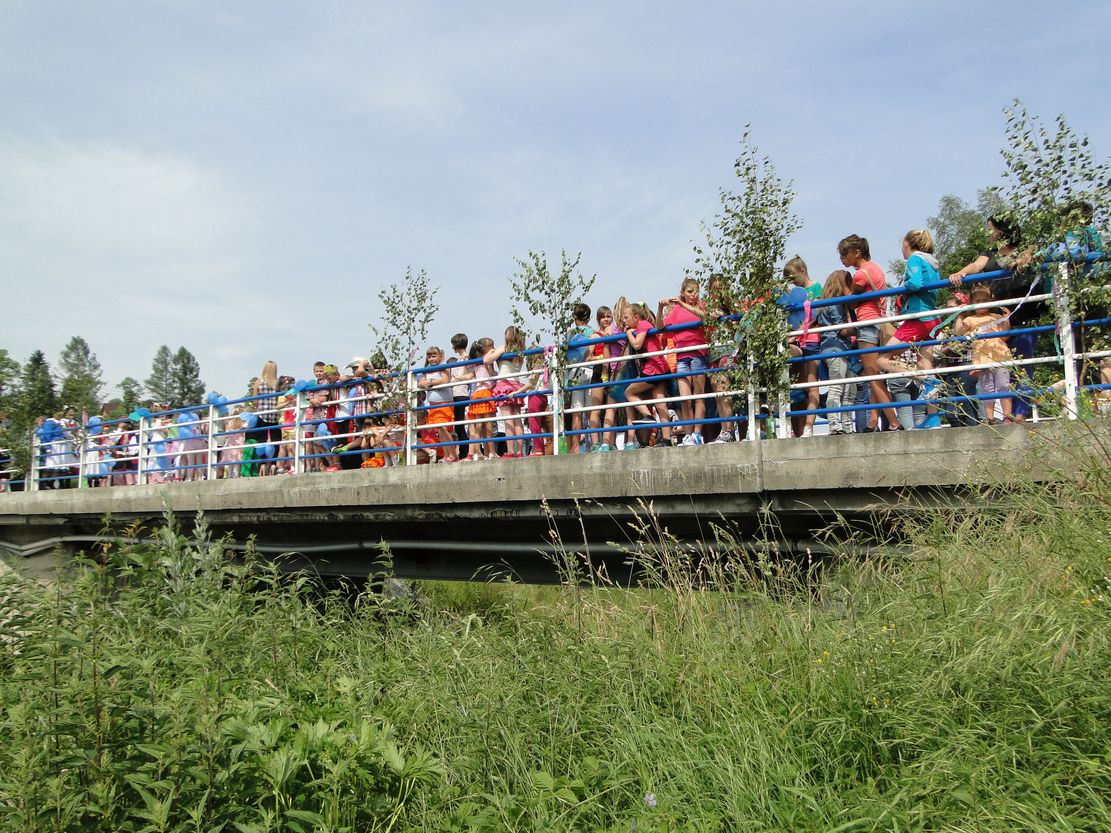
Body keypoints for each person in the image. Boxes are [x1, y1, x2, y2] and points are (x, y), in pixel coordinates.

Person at [840, 234, 903, 431]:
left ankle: (894, 422)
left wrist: (844, 287)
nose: (841, 258)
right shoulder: (877, 269)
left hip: (867, 324)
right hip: (879, 322)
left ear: (856, 253)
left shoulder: (860, 275)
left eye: (844, 254)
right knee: (877, 374)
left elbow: (852, 303)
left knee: (871, 374)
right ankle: (873, 421)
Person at [659, 278, 709, 445]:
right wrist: (660, 308)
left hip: (698, 354)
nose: (693, 295)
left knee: (698, 396)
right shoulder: (676, 311)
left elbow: (705, 317)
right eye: (689, 291)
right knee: (685, 399)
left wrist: (682, 303)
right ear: (683, 292)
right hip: (681, 356)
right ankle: (688, 433)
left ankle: (697, 433)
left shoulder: (701, 306)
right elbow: (660, 327)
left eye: (696, 291)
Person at [956, 283, 1013, 423]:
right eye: (978, 301)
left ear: (991, 301)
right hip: (982, 359)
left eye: (985, 300)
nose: (981, 303)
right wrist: (960, 315)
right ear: (972, 303)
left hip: (1000, 356)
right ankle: (990, 418)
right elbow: (959, 332)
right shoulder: (970, 319)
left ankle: (1007, 416)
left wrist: (1006, 319)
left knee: (1004, 386)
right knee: (987, 389)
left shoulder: (996, 317)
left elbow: (1005, 336)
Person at [623, 303, 674, 446]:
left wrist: (628, 333)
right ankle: (667, 439)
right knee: (660, 403)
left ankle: (648, 416)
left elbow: (637, 344)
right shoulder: (642, 325)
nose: (624, 321)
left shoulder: (643, 324)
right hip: (660, 367)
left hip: (654, 368)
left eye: (626, 317)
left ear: (636, 317)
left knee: (629, 392)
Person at [814, 270, 858, 434]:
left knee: (847, 390)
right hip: (837, 348)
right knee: (839, 389)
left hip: (833, 348)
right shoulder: (835, 303)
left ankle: (844, 426)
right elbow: (841, 329)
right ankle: (836, 426)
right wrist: (860, 328)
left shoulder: (823, 303)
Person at [783, 257, 822, 437]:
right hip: (797, 342)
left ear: (803, 271)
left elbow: (816, 314)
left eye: (794, 278)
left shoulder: (816, 288)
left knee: (811, 385)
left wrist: (799, 331)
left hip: (812, 340)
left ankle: (809, 426)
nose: (793, 283)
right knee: (796, 388)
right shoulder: (793, 294)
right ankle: (795, 428)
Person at [486, 327, 527, 458]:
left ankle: (510, 451)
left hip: (504, 385)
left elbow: (487, 360)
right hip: (516, 385)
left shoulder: (504, 348)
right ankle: (519, 451)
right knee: (517, 419)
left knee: (508, 419)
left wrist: (491, 351)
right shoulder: (520, 351)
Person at [416, 346, 459, 463]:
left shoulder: (442, 369)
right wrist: (426, 383)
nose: (431, 359)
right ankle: (446, 455)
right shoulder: (426, 371)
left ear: (440, 357)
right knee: (439, 431)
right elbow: (420, 383)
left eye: (434, 356)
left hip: (444, 403)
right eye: (429, 356)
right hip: (433, 405)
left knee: (443, 428)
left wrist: (430, 383)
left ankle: (453, 454)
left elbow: (444, 380)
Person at [565, 303, 595, 454]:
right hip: (590, 370)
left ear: (574, 318)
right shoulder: (593, 332)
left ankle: (576, 447)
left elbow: (564, 353)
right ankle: (595, 444)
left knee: (576, 411)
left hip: (575, 372)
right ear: (588, 318)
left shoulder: (570, 334)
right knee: (590, 411)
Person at [465, 337, 496, 461]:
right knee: (488, 425)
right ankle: (492, 452)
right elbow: (492, 375)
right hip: (486, 393)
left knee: (478, 425)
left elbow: (468, 375)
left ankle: (477, 453)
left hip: (477, 394)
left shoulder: (476, 364)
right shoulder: (487, 361)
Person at [250, 361, 281, 476]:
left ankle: (262, 464)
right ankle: (273, 464)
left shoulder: (258, 382)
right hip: (274, 414)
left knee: (261, 440)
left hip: (262, 414)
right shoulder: (278, 383)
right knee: (276, 440)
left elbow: (255, 401)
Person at [448, 333, 471, 457]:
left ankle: (465, 452)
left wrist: (457, 378)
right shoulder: (459, 360)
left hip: (461, 393)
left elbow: (469, 375)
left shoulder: (466, 358)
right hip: (455, 393)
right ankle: (464, 451)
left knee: (461, 425)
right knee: (458, 425)